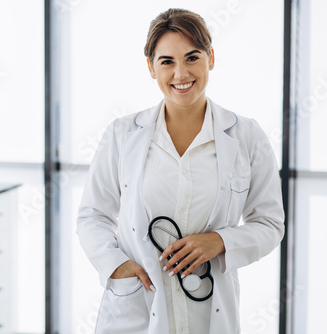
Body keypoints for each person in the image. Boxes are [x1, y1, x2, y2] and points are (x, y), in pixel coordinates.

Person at [76, 8, 285, 334]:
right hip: (137, 307)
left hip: (210, 308)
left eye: (192, 57)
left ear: (210, 58)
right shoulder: (121, 135)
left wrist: (219, 241)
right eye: (167, 62)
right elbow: (92, 215)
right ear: (151, 67)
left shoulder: (246, 136)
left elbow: (270, 224)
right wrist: (117, 267)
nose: (181, 73)